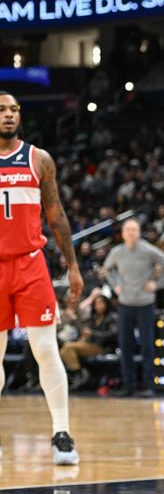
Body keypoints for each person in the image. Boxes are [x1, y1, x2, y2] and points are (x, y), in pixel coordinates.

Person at [0, 90, 83, 464]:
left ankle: (61, 434)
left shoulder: (39, 159)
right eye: (1, 110)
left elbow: (57, 215)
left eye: (14, 110)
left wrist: (73, 266)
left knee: (46, 349)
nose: (8, 115)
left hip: (31, 263)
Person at [103, 219, 164, 397]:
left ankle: (149, 385)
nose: (131, 233)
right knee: (125, 345)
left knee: (147, 346)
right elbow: (107, 269)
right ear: (122, 233)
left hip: (145, 304)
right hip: (125, 304)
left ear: (139, 231)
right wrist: (115, 286)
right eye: (128, 230)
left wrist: (157, 284)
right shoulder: (117, 252)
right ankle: (128, 385)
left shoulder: (148, 250)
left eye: (134, 229)